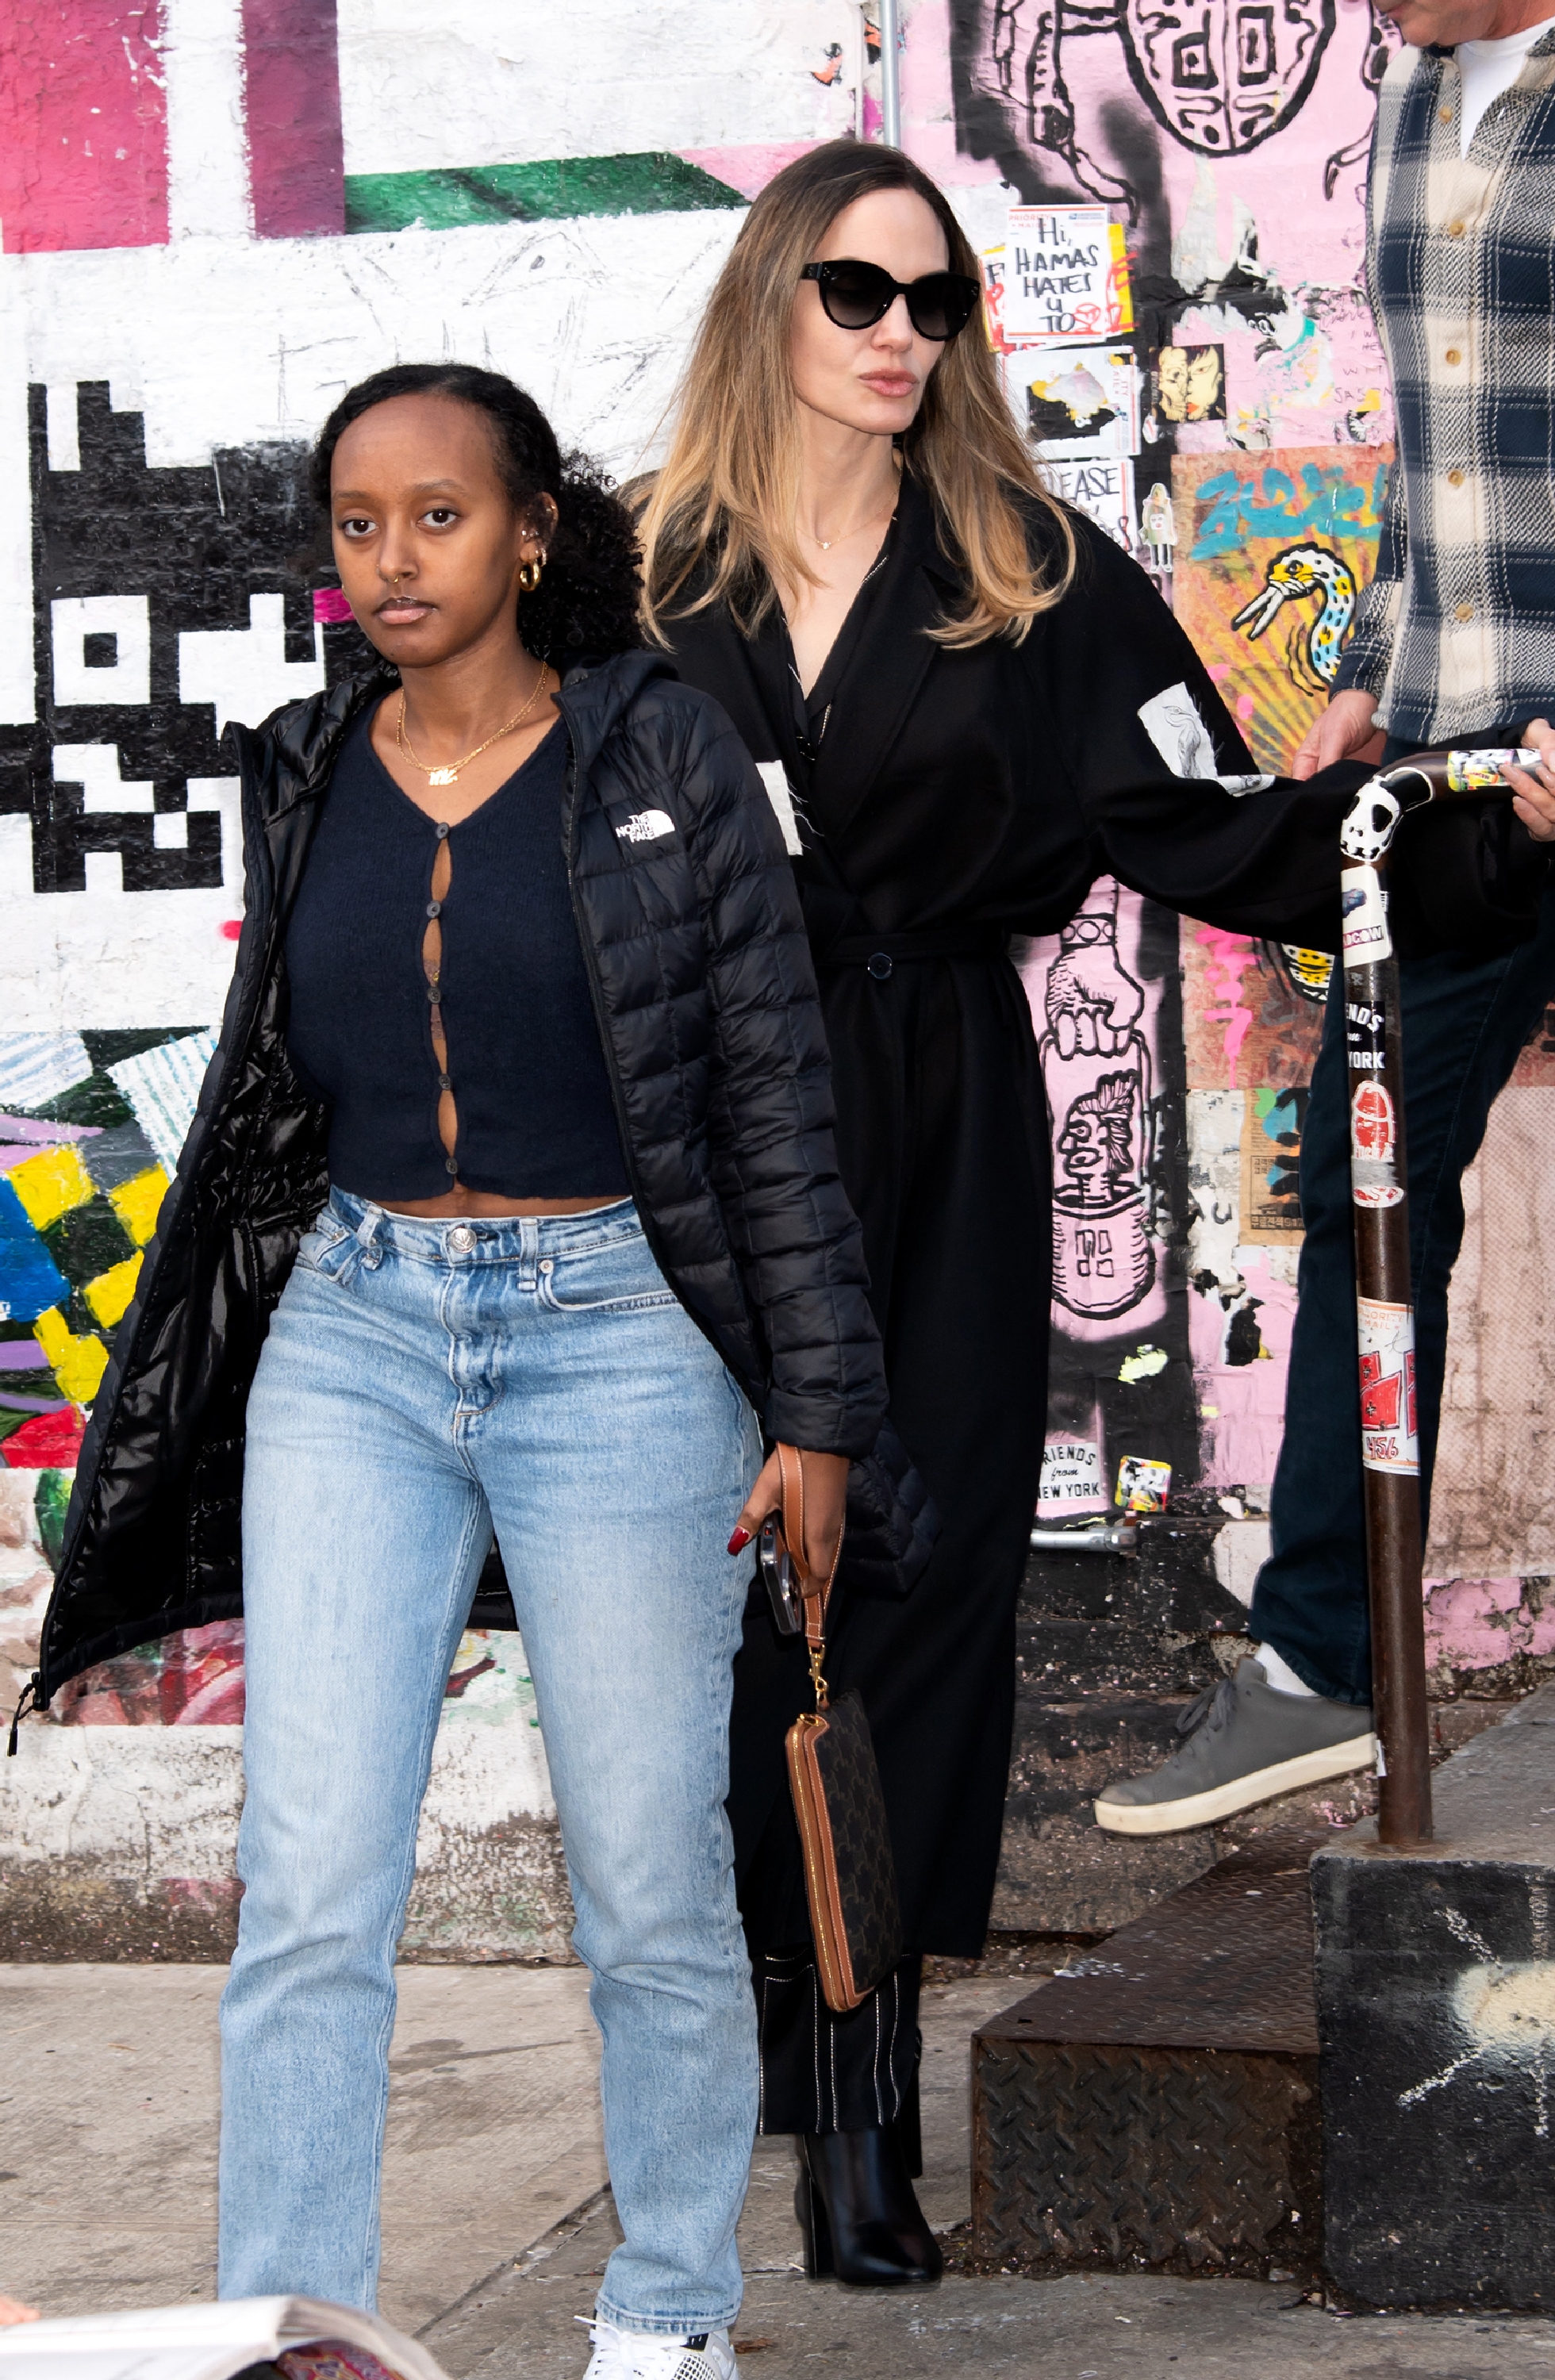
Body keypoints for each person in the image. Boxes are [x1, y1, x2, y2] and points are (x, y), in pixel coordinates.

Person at [633, 139, 1554, 2283]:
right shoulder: (649, 579)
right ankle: (762, 2016)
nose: (898, 338)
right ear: (772, 297)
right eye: (858, 293)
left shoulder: (1027, 571)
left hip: (944, 1099)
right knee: (697, 1593)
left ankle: (863, 2102)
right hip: (692, 1120)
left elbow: (1220, 832)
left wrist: (1466, 842)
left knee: (923, 1573)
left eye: (935, 303)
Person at [30, 363, 886, 2380]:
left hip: (619, 1342)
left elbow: (772, 1103)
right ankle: (291, 2328)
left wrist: (818, 1416)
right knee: (313, 1885)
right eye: (355, 520)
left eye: (435, 515)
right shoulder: (306, 757)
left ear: (528, 533)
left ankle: (667, 2310)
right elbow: (271, 1082)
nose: (391, 556)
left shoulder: (655, 749)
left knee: (643, 1878)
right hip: (358, 1331)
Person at [1095, 0, 1555, 1836]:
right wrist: (1389, 669)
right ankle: (1320, 1664)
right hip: (1477, 756)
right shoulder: (1410, 88)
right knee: (1368, 1162)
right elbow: (1439, 435)